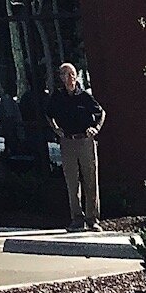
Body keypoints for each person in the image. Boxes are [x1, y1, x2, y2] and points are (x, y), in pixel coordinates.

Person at [46, 61, 105, 231]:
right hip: (68, 142)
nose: (69, 77)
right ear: (61, 78)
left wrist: (96, 128)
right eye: (65, 74)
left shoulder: (85, 96)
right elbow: (49, 115)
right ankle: (77, 219)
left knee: (90, 180)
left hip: (85, 141)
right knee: (72, 182)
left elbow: (101, 112)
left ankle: (92, 219)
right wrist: (56, 129)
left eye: (71, 74)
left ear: (76, 76)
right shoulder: (58, 97)